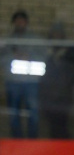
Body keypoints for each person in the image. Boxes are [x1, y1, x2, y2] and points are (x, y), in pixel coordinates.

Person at [2, 10, 43, 138]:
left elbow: (44, 57)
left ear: (26, 22)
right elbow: (1, 59)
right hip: (13, 82)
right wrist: (13, 56)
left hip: (31, 82)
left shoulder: (36, 39)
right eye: (17, 20)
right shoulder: (6, 41)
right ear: (13, 23)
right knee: (14, 114)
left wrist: (29, 56)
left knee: (33, 113)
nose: (20, 23)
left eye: (22, 20)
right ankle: (17, 142)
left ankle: (32, 142)